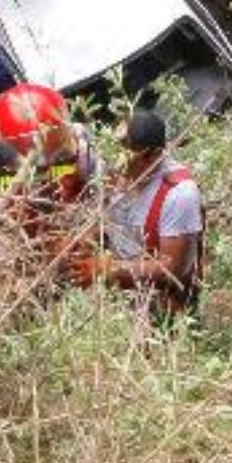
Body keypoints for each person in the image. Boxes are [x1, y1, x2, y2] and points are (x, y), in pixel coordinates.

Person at [67, 110, 205, 316]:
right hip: (124, 293)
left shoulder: (179, 194)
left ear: (153, 155)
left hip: (164, 301)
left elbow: (173, 268)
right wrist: (88, 240)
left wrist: (108, 270)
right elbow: (107, 219)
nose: (120, 166)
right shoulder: (114, 176)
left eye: (129, 157)